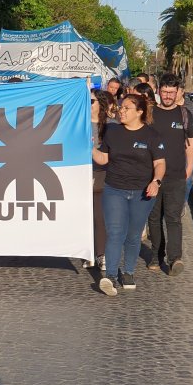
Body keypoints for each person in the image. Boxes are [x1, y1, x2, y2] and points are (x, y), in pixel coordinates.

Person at [91, 93, 166, 297]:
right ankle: (111, 277)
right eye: (121, 108)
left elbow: (159, 164)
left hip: (142, 192)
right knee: (115, 232)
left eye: (126, 108)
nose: (121, 111)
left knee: (133, 235)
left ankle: (129, 272)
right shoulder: (113, 131)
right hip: (114, 189)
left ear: (139, 112)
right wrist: (89, 148)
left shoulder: (152, 135)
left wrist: (156, 181)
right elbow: (103, 158)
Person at [147, 74, 193, 276]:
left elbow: (191, 143)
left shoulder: (184, 114)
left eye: (171, 92)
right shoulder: (150, 113)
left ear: (178, 93)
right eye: (164, 91)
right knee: (154, 218)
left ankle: (175, 258)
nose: (167, 95)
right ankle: (156, 256)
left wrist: (189, 169)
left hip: (177, 176)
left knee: (173, 218)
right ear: (159, 91)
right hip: (152, 177)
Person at [87, 90, 115, 272]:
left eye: (92, 101)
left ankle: (101, 254)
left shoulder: (112, 127)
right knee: (85, 217)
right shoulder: (78, 123)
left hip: (103, 176)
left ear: (101, 105)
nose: (89, 104)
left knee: (99, 217)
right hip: (81, 175)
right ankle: (87, 252)